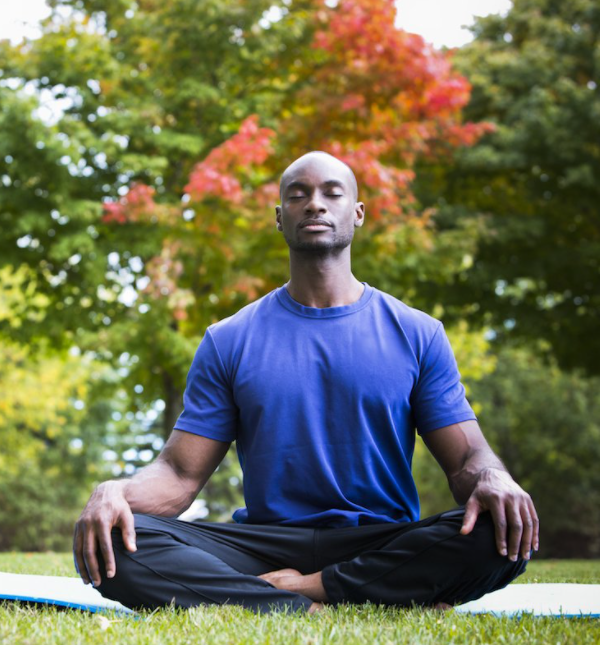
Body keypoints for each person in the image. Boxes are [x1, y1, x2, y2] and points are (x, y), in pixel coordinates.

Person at [72, 151, 538, 613]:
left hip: (379, 539)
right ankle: (341, 598)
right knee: (115, 539)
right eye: (298, 195)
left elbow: (465, 462)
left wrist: (494, 477)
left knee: (499, 528)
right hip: (263, 543)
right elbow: (178, 476)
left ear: (357, 214)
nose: (315, 204)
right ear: (280, 218)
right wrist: (117, 491)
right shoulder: (229, 339)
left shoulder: (417, 333)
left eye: (332, 194)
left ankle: (304, 590)